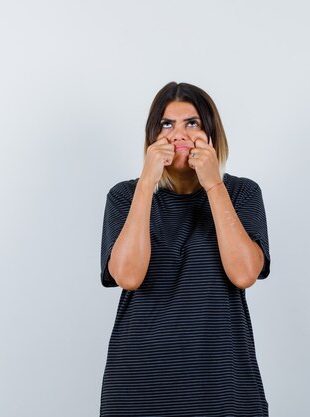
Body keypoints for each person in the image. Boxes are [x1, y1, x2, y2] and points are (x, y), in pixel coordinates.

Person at [99, 82, 272, 416]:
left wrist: (212, 183)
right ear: (152, 136)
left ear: (210, 133)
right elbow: (129, 276)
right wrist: (147, 183)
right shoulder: (124, 197)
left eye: (191, 123)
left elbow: (244, 274)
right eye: (167, 124)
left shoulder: (242, 194)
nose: (179, 134)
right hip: (139, 387)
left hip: (224, 385)